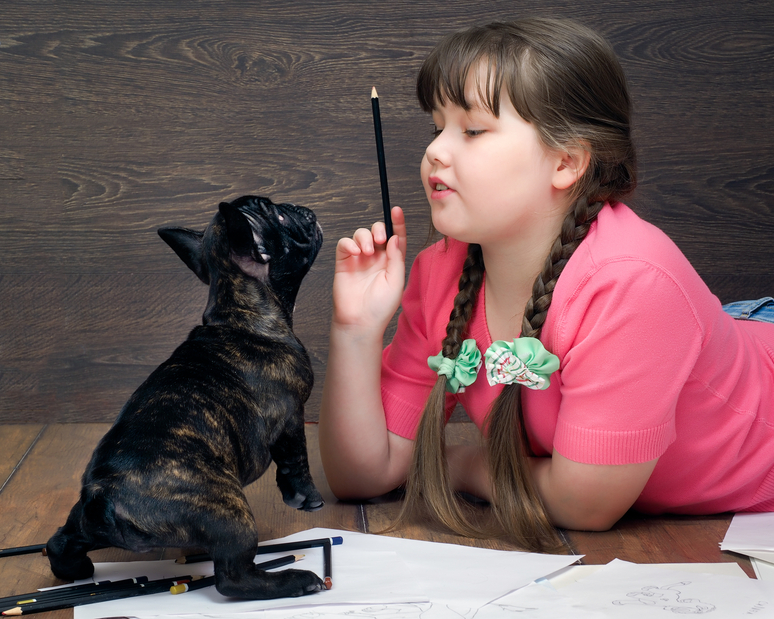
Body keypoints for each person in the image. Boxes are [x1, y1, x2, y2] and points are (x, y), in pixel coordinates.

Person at [318, 18, 774, 552]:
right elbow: (363, 477)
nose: (435, 151)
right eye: (435, 127)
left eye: (472, 130)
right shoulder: (441, 271)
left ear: (566, 161)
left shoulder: (633, 284)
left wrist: (461, 464)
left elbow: (586, 505)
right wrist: (354, 331)